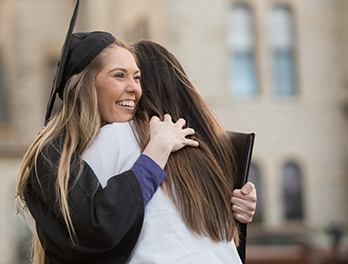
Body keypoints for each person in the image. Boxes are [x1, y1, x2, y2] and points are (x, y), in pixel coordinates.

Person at [15, 1, 198, 264]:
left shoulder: (123, 140)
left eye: (137, 77)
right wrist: (157, 150)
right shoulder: (52, 154)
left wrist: (234, 205)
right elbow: (100, 226)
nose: (135, 88)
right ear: (83, 86)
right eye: (119, 75)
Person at [80, 40, 257, 263]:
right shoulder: (208, 148)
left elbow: (69, 220)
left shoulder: (115, 137)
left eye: (135, 77)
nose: (131, 86)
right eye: (119, 76)